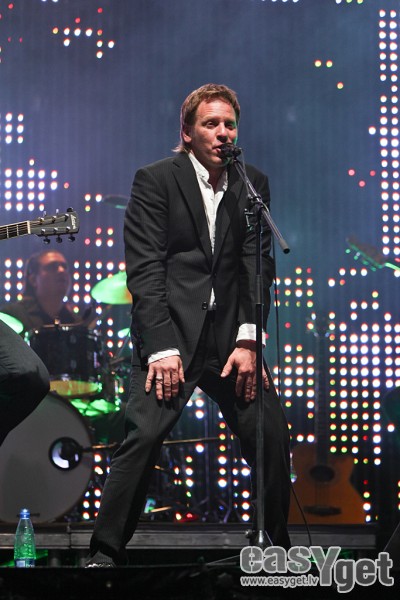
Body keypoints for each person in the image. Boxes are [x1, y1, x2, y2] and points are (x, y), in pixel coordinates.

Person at [86, 83, 291, 568]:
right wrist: (160, 346)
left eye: (229, 124)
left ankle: (274, 549)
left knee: (269, 432)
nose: (223, 133)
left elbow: (256, 265)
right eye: (211, 123)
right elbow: (145, 269)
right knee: (142, 437)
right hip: (172, 336)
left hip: (231, 341)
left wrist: (249, 340)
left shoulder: (251, 184)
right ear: (187, 132)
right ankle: (104, 554)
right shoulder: (156, 180)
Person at [0, 249, 80, 334]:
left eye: (65, 267)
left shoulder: (76, 322)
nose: (61, 270)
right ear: (34, 280)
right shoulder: (12, 316)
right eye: (53, 267)